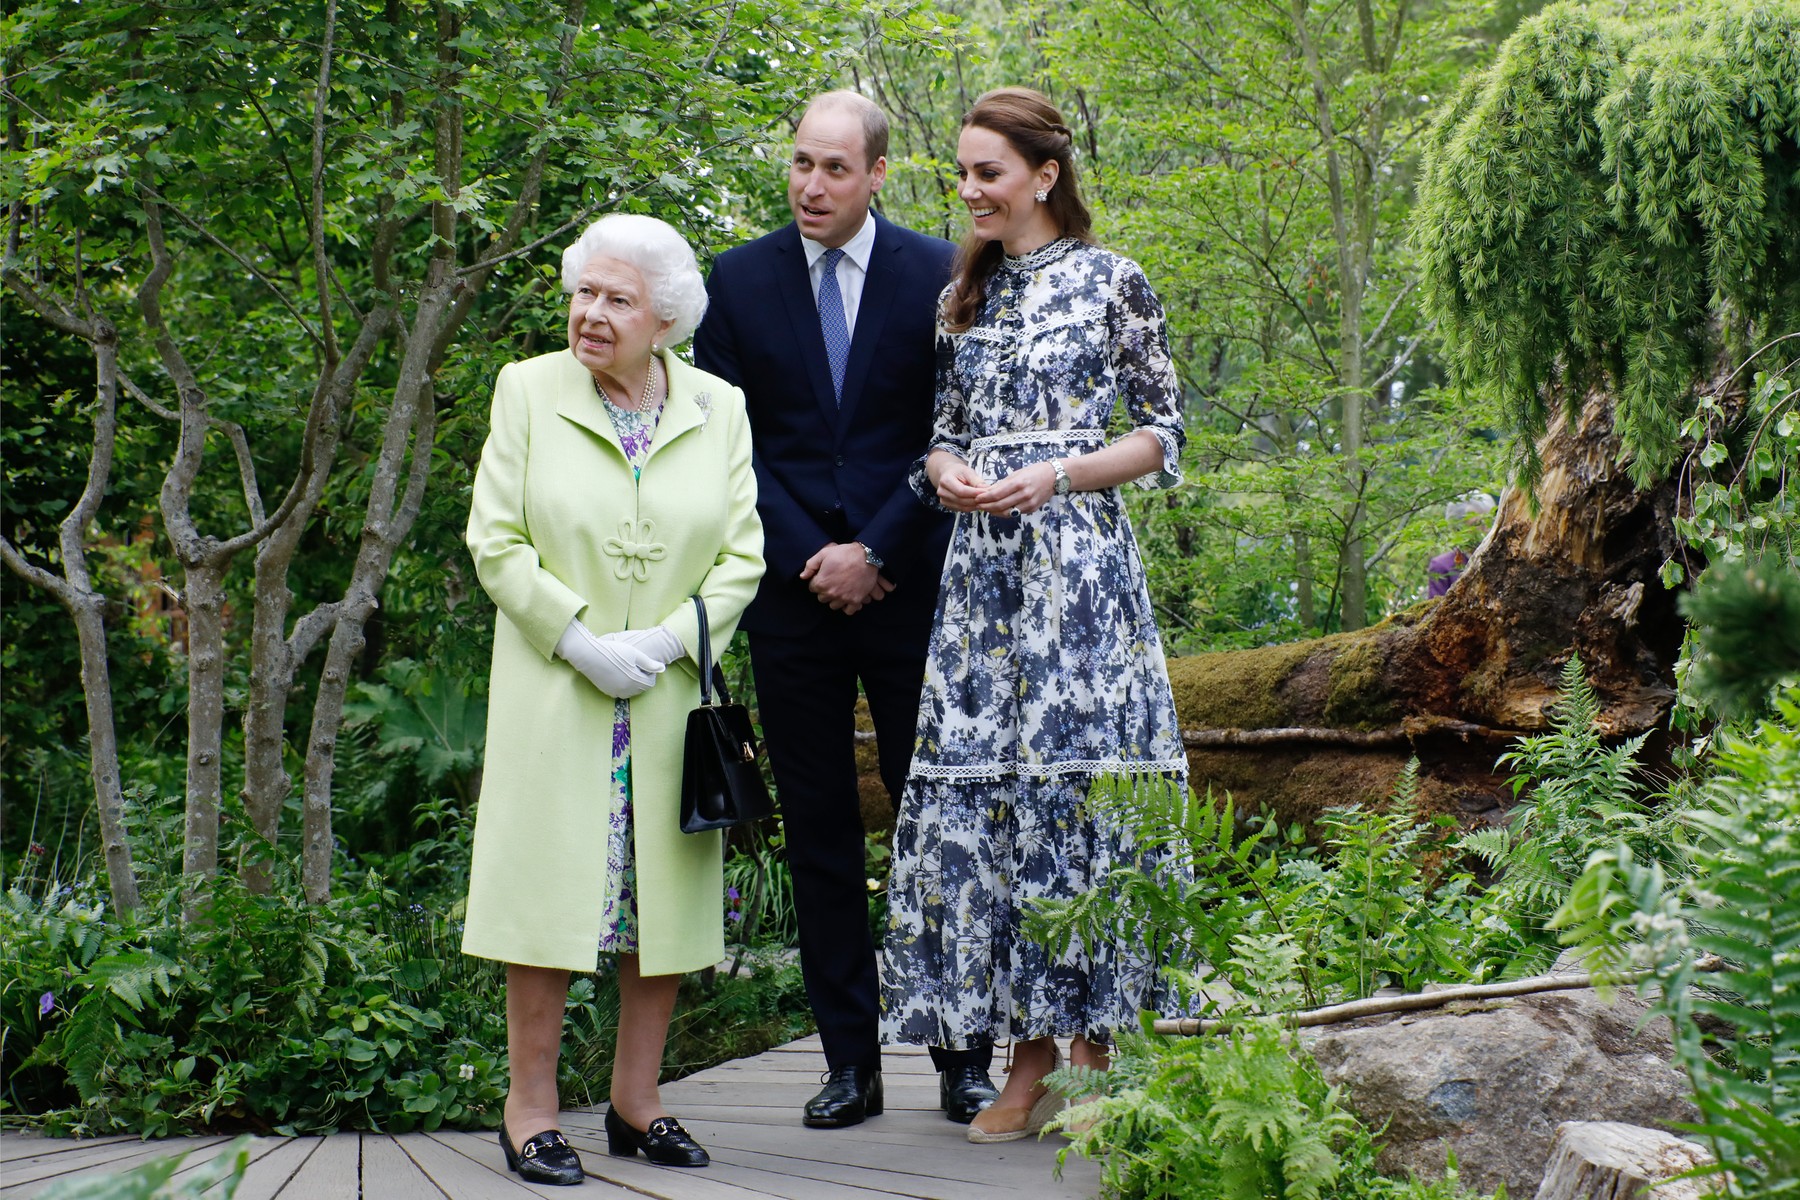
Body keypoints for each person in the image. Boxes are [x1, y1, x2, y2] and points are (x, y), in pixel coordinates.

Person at [879, 87, 1189, 1144]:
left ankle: (1094, 1050)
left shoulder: (1114, 283)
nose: (969, 192)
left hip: (1078, 579)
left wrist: (1058, 474)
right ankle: (1030, 1058)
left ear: (1044, 175)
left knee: (1077, 794)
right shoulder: (960, 296)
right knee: (996, 806)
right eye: (961, 174)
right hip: (982, 588)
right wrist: (952, 472)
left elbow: (1160, 436)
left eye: (988, 174)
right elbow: (940, 436)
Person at [693, 91, 999, 1128]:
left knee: (941, 826)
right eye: (800, 165)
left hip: (913, 587)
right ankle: (850, 1067)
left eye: (833, 168)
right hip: (793, 603)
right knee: (821, 834)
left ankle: (964, 1060)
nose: (811, 186)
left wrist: (876, 546)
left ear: (877, 174)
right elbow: (727, 447)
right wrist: (813, 554)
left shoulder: (942, 274)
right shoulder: (734, 283)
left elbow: (957, 427)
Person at [462, 213, 764, 1182]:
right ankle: (530, 1109)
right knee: (548, 903)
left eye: (616, 299)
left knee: (658, 908)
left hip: (669, 698)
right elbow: (495, 540)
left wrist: (672, 641)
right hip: (561, 692)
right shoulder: (529, 390)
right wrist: (581, 641)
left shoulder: (720, 407)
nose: (590, 314)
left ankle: (638, 1105)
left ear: (664, 317)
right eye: (582, 292)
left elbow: (743, 555)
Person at [1428, 491, 1497, 597]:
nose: (1486, 528)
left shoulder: (1500, 559)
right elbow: (1435, 610)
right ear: (1458, 528)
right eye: (1476, 523)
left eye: (1488, 522)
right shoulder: (1442, 566)